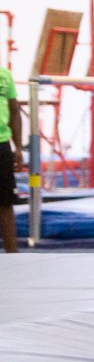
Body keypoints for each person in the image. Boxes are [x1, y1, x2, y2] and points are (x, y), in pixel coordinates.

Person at [0, 61, 20, 254]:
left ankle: (12, 252)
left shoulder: (4, 76)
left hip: (2, 144)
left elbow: (15, 111)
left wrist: (19, 147)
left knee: (5, 202)